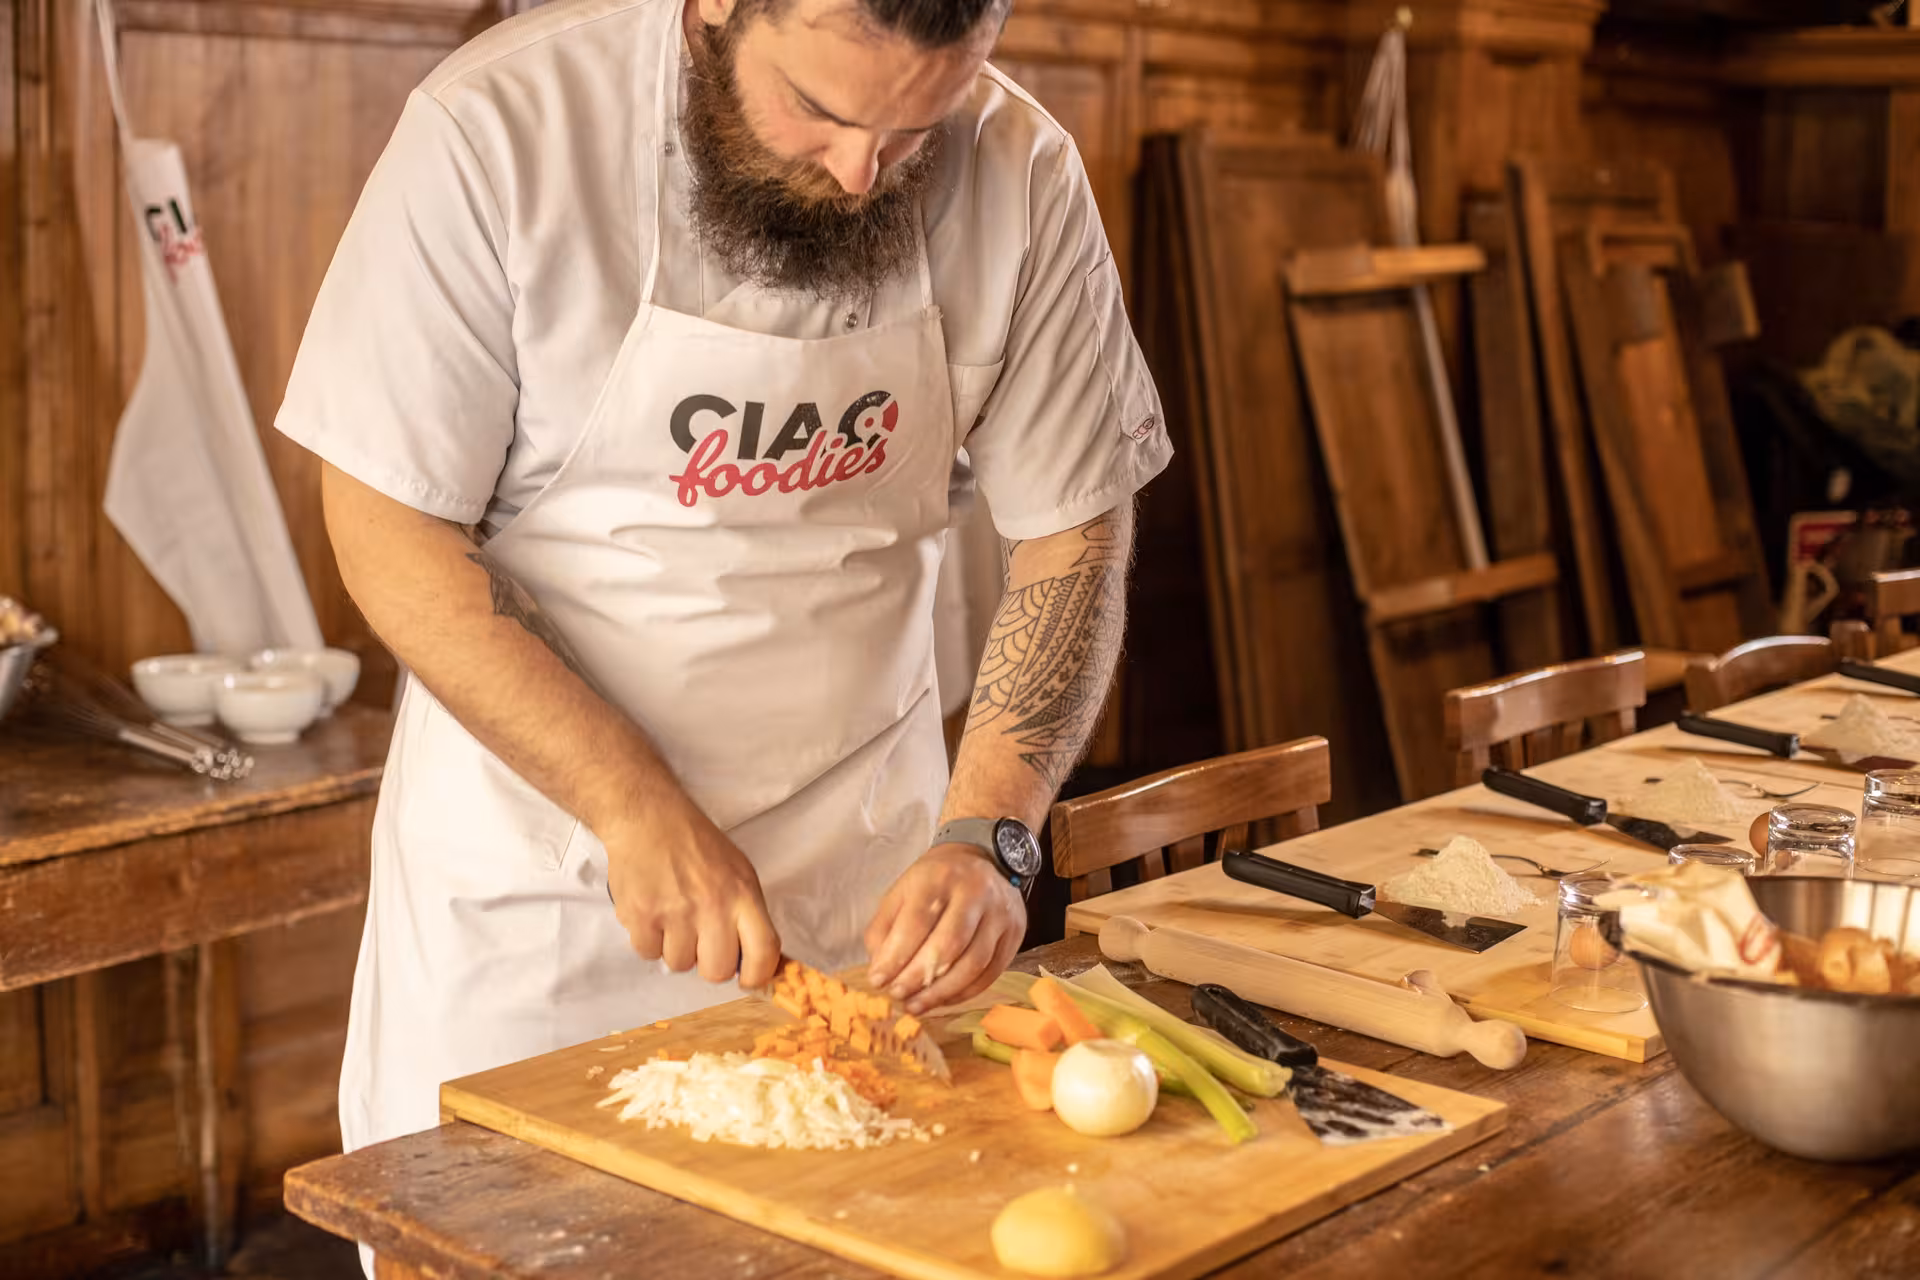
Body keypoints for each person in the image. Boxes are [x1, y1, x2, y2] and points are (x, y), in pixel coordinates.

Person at [275, 0, 1170, 1161]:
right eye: (817, 110)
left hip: (862, 897)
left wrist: (993, 831)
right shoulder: (498, 129)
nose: (861, 173)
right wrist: (627, 799)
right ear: (709, 15)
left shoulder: (1024, 168)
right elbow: (387, 524)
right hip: (546, 899)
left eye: (915, 130)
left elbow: (1075, 533)